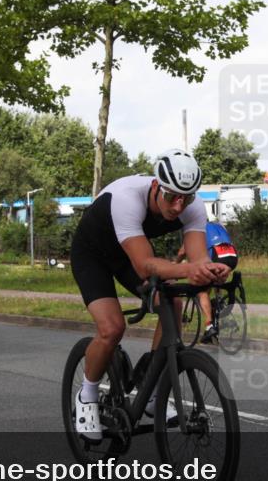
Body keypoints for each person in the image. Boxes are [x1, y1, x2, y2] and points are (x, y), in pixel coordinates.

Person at [69, 150, 230, 440]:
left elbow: (197, 259)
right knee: (112, 328)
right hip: (93, 255)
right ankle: (87, 395)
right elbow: (144, 266)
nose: (179, 206)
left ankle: (154, 391)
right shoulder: (127, 199)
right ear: (156, 186)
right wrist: (189, 270)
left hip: (127, 253)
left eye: (187, 197)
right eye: (172, 197)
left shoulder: (192, 207)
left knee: (173, 303)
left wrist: (211, 271)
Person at [177, 220, 239, 344]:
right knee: (215, 281)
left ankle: (209, 326)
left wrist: (176, 264)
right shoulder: (218, 225)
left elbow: (182, 252)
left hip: (216, 255)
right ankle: (221, 308)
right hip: (232, 256)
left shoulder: (195, 227)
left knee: (202, 290)